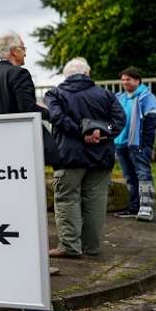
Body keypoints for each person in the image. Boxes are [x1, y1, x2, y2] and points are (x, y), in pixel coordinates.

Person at [44, 58, 126, 257]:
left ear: (66, 75)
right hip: (101, 157)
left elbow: (56, 118)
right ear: (87, 74)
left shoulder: (55, 93)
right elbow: (119, 120)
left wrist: (82, 133)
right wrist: (101, 133)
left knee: (66, 199)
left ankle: (70, 247)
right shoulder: (105, 94)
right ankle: (91, 247)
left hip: (69, 156)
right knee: (96, 201)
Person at [113, 67, 156, 222]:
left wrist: (145, 144)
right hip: (121, 143)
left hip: (138, 144)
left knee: (143, 175)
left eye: (128, 79)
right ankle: (134, 208)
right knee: (129, 177)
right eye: (123, 79)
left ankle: (146, 208)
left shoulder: (147, 97)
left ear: (137, 80)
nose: (125, 82)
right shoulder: (119, 97)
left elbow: (152, 120)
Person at [0, 32, 44, 117]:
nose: (25, 54)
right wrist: (53, 114)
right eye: (23, 49)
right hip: (14, 129)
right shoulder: (19, 74)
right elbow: (29, 110)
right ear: (14, 51)